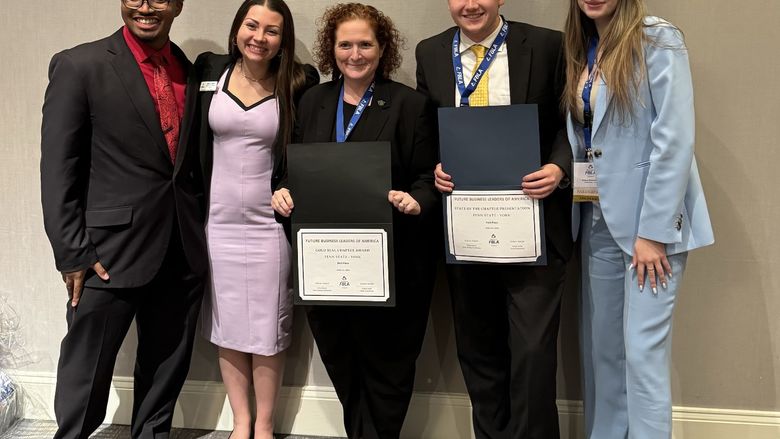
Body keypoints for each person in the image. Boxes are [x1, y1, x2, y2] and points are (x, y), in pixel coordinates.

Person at [40, 1, 207, 438]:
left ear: (177, 5)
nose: (146, 6)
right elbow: (59, 168)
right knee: (86, 370)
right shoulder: (80, 65)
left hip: (182, 247)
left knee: (167, 364)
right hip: (105, 253)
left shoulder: (188, 70)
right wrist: (71, 252)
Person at [271, 4, 438, 438]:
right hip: (326, 265)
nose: (355, 53)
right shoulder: (312, 101)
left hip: (390, 266)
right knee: (343, 365)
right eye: (345, 44)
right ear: (332, 49)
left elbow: (427, 177)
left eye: (365, 44)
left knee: (388, 372)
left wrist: (415, 200)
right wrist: (283, 192)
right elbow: (292, 169)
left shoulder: (409, 105)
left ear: (382, 49)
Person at [415, 0, 573, 437]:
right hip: (467, 228)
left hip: (533, 224)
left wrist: (559, 168)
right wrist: (435, 169)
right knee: (479, 353)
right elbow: (428, 132)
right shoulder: (430, 53)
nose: (470, 4)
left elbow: (571, 122)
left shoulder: (545, 45)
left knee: (533, 355)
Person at [562, 1, 714, 438]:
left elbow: (675, 139)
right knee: (604, 353)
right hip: (596, 220)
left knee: (643, 354)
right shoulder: (583, 45)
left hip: (650, 228)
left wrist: (653, 232)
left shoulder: (657, 37)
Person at [192, 0, 318, 438]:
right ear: (236, 29)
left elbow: (306, 151)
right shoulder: (209, 71)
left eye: (272, 30)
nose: (259, 37)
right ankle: (240, 422)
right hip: (217, 223)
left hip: (269, 226)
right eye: (252, 25)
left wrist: (291, 187)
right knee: (227, 323)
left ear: (283, 40)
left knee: (268, 324)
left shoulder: (299, 83)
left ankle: (264, 425)